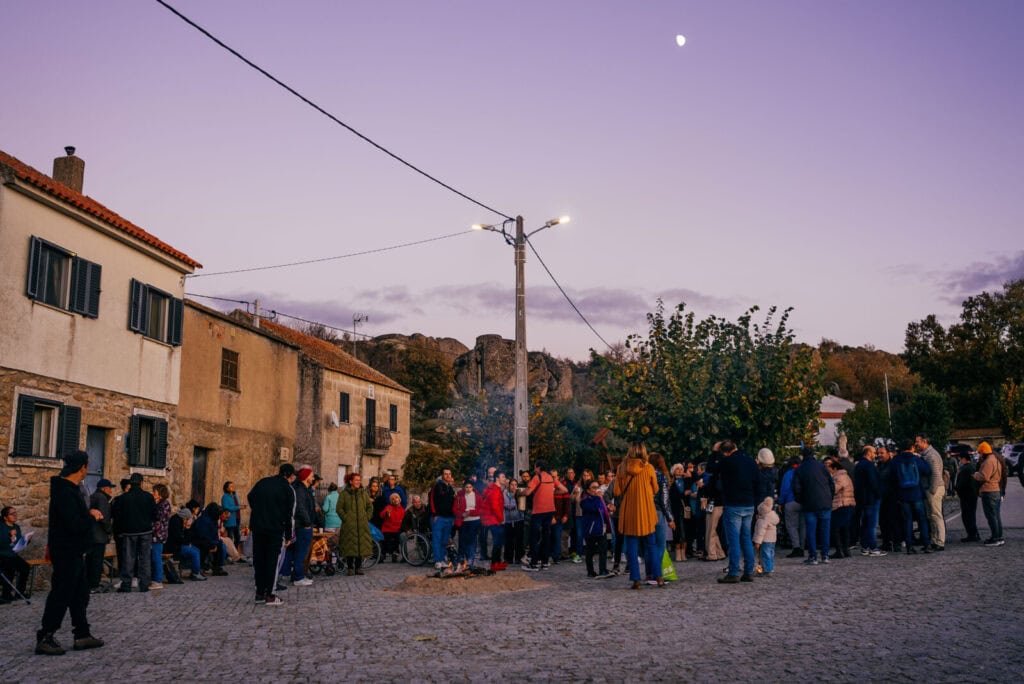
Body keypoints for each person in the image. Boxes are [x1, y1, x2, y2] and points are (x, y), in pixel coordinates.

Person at [35, 450, 104, 655]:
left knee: (80, 593)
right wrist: (91, 517)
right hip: (66, 550)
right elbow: (73, 523)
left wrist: (88, 513)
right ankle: (46, 635)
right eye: (86, 466)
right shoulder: (65, 492)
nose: (87, 470)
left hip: (74, 550)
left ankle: (82, 634)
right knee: (62, 593)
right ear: (81, 467)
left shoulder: (70, 489)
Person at [247, 463, 296, 605]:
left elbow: (250, 497)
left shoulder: (262, 483)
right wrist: (289, 536)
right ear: (289, 475)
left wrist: (259, 511)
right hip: (275, 529)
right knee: (272, 561)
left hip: (258, 527)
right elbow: (289, 515)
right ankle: (270, 594)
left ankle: (259, 593)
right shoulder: (288, 489)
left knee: (259, 560)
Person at [615, 444, 662, 589]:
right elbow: (656, 488)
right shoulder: (648, 468)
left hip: (629, 511)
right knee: (652, 545)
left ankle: (636, 579)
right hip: (647, 511)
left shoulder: (621, 468)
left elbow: (617, 491)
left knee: (631, 547)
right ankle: (658, 576)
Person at [713, 440, 759, 584]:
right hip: (748, 503)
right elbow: (758, 480)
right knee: (746, 538)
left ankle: (733, 572)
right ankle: (749, 571)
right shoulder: (750, 460)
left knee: (733, 540)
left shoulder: (727, 462)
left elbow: (711, 469)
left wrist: (714, 452)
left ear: (725, 452)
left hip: (733, 504)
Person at [111, 473, 156, 592]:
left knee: (128, 558)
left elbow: (117, 516)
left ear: (130, 483)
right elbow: (154, 515)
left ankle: (126, 584)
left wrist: (121, 530)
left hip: (129, 532)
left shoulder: (123, 498)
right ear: (142, 483)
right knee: (145, 558)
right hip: (145, 531)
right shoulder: (148, 497)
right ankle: (145, 585)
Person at [792, 447, 835, 565]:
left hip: (809, 504)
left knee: (811, 531)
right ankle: (825, 555)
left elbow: (796, 488)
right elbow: (831, 484)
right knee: (825, 530)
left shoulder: (800, 469)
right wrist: (829, 498)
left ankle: (813, 556)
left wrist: (801, 500)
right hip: (825, 502)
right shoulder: (822, 467)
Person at [523, 461, 567, 572]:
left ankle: (534, 563)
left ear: (538, 468)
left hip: (538, 511)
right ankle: (545, 562)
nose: (534, 470)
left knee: (534, 537)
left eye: (535, 467)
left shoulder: (537, 477)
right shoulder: (551, 478)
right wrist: (552, 492)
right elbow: (564, 490)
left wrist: (519, 493)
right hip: (550, 510)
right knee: (546, 537)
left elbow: (528, 492)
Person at [890, 438, 931, 555]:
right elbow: (927, 470)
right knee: (922, 520)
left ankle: (909, 546)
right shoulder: (916, 459)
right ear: (912, 447)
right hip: (916, 493)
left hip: (903, 495)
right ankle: (926, 544)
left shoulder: (896, 460)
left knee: (907, 521)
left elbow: (892, 476)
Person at [283, 467, 316, 586]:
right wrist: (307, 523)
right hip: (302, 526)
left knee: (295, 551)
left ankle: (292, 574)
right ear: (306, 477)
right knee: (301, 552)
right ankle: (298, 577)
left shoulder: (302, 489)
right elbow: (300, 508)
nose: (313, 478)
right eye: (311, 475)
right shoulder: (300, 490)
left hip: (300, 525)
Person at [337, 472, 374, 575]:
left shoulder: (363, 493)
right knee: (350, 546)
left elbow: (370, 507)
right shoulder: (344, 494)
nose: (358, 482)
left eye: (359, 480)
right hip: (349, 526)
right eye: (356, 480)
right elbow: (339, 509)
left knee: (360, 547)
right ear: (350, 481)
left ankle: (358, 567)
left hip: (362, 525)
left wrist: (366, 517)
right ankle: (349, 568)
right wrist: (346, 519)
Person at [914, 434, 946, 551]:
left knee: (936, 516)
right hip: (931, 488)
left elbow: (936, 475)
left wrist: (932, 490)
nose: (916, 444)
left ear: (924, 441)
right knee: (931, 516)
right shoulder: (926, 455)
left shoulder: (931, 455)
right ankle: (934, 540)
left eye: (917, 441)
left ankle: (940, 541)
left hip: (933, 489)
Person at [853, 446, 886, 556]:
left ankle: (865, 546)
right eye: (873, 452)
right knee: (872, 524)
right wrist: (878, 494)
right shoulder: (869, 466)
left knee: (865, 523)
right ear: (868, 453)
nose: (875, 454)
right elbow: (873, 483)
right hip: (871, 498)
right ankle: (873, 547)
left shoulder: (858, 465)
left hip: (862, 498)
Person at [85, 479, 114, 592]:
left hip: (91, 535)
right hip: (99, 535)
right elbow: (104, 517)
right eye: (109, 487)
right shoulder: (102, 498)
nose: (111, 490)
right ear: (104, 488)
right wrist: (109, 530)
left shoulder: (93, 496)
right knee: (96, 562)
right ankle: (94, 585)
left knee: (90, 560)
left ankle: (88, 583)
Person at [973, 442, 1004, 546]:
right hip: (996, 490)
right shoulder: (996, 459)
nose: (980, 455)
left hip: (989, 491)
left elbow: (984, 476)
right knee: (996, 515)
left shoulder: (988, 462)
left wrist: (975, 474)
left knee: (991, 516)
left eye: (980, 453)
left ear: (983, 452)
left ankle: (995, 539)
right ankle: (999, 537)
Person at [580, 479, 613, 578]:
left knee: (603, 549)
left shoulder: (599, 500)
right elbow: (593, 508)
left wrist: (608, 508)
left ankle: (603, 569)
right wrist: (598, 498)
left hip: (600, 528)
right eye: (593, 488)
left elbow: (602, 510)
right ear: (588, 490)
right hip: (591, 529)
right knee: (590, 551)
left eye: (597, 487)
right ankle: (590, 571)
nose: (596, 490)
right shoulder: (585, 501)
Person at [165, 506, 205, 581]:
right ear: (184, 517)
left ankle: (196, 571)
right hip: (174, 547)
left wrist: (187, 529)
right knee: (194, 552)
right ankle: (195, 573)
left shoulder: (178, 520)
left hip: (178, 545)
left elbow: (183, 538)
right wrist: (187, 528)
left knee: (196, 550)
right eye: (187, 519)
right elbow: (178, 538)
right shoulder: (176, 522)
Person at [429, 468, 457, 570]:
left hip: (449, 518)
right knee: (437, 539)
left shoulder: (450, 488)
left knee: (445, 540)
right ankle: (437, 560)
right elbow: (432, 500)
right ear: (442, 475)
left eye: (449, 474)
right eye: (446, 474)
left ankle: (442, 559)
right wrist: (435, 514)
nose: (448, 476)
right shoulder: (437, 486)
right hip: (439, 518)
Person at [1, 506, 30, 603]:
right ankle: (6, 595)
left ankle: (19, 592)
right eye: (12, 514)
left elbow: (18, 543)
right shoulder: (1, 526)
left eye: (15, 513)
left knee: (25, 567)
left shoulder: (16, 527)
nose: (15, 515)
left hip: (12, 555)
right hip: (2, 555)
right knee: (10, 568)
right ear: (5, 517)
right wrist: (9, 535)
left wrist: (26, 541)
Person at [876, 443, 902, 552]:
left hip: (892, 497)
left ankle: (896, 543)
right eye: (878, 453)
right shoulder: (879, 465)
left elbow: (897, 480)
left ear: (888, 453)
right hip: (882, 497)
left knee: (894, 521)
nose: (879, 455)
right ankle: (886, 542)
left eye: (882, 453)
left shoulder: (893, 465)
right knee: (883, 521)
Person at [827, 459, 855, 559]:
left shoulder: (838, 477)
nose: (829, 471)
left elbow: (834, 489)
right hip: (847, 504)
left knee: (836, 529)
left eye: (830, 469)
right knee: (845, 528)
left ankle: (839, 550)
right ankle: (846, 550)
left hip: (841, 505)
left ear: (835, 468)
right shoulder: (846, 476)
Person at [778, 456, 805, 558]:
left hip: (790, 501)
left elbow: (784, 489)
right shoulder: (804, 473)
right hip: (803, 502)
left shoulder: (788, 474)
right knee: (803, 526)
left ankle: (796, 547)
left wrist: (781, 502)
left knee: (792, 526)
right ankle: (802, 547)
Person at [481, 471, 507, 571]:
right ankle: (494, 564)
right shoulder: (495, 490)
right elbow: (495, 506)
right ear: (497, 478)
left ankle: (497, 562)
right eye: (503, 477)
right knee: (497, 542)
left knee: (498, 541)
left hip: (491, 519)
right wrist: (501, 519)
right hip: (493, 519)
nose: (505, 479)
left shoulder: (494, 488)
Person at [193, 502, 228, 576]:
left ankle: (217, 568)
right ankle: (201, 567)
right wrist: (212, 543)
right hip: (199, 540)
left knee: (220, 544)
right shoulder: (204, 520)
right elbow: (203, 535)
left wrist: (215, 543)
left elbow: (214, 534)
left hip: (208, 540)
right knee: (205, 545)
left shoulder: (213, 519)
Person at [954, 449, 981, 543]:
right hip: (972, 494)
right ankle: (974, 533)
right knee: (971, 514)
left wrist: (956, 488)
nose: (959, 461)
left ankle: (972, 534)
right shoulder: (972, 467)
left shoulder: (966, 469)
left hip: (966, 495)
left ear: (964, 459)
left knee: (967, 515)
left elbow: (961, 483)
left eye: (960, 459)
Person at [454, 480, 482, 567]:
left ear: (473, 487)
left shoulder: (477, 497)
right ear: (463, 488)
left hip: (474, 520)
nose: (468, 489)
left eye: (470, 487)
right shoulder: (459, 497)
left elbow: (481, 509)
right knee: (462, 540)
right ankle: (462, 558)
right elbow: (454, 509)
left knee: (472, 540)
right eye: (466, 487)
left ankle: (470, 558)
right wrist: (462, 514)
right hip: (463, 521)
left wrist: (470, 512)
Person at [149, 484, 172, 589]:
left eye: (155, 492)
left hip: (158, 535)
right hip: (155, 535)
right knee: (154, 557)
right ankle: (154, 578)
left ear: (160, 493)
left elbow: (158, 517)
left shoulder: (164, 504)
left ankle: (157, 580)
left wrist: (153, 504)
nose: (153, 493)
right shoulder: (161, 503)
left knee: (156, 557)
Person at [752, 497, 779, 577]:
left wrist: (757, 542)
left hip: (764, 540)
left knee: (763, 555)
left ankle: (766, 570)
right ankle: (770, 568)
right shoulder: (772, 515)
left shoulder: (763, 520)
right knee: (770, 554)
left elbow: (760, 532)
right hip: (772, 540)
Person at [502, 479, 526, 566]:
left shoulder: (520, 493)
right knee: (508, 540)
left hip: (518, 519)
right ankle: (508, 558)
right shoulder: (504, 493)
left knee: (519, 540)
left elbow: (523, 506)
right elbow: (502, 504)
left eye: (515, 484)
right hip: (508, 520)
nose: (514, 486)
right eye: (512, 484)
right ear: (508, 485)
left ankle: (518, 558)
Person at [380, 493, 405, 562]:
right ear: (391, 501)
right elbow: (382, 515)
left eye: (396, 498)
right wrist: (386, 513)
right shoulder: (389, 507)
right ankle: (383, 554)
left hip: (397, 529)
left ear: (399, 499)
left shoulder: (402, 510)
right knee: (387, 537)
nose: (395, 500)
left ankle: (395, 553)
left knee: (398, 537)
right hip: (388, 528)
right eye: (393, 499)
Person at [220, 481, 243, 549]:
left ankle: (234, 553)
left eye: (233, 486)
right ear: (227, 488)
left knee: (237, 537)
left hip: (237, 518)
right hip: (230, 519)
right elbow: (226, 507)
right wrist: (238, 507)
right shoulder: (225, 497)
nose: (233, 487)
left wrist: (241, 506)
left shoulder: (235, 495)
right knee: (230, 538)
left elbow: (237, 505)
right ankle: (229, 554)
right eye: (231, 486)